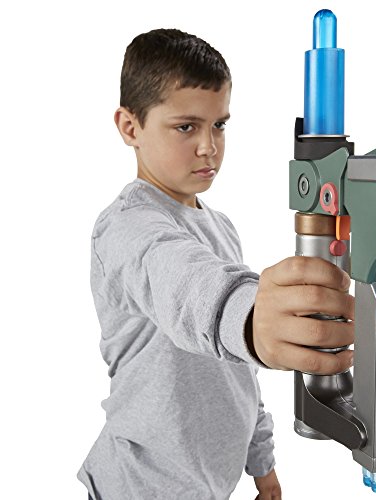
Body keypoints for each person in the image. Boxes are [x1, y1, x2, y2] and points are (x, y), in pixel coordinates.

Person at [77, 28, 354, 500]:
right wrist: (248, 316)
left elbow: (239, 375)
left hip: (211, 486)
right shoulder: (125, 229)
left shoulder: (221, 227)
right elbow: (184, 283)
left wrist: (262, 465)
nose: (209, 146)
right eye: (186, 127)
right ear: (130, 127)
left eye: (219, 124)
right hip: (139, 488)